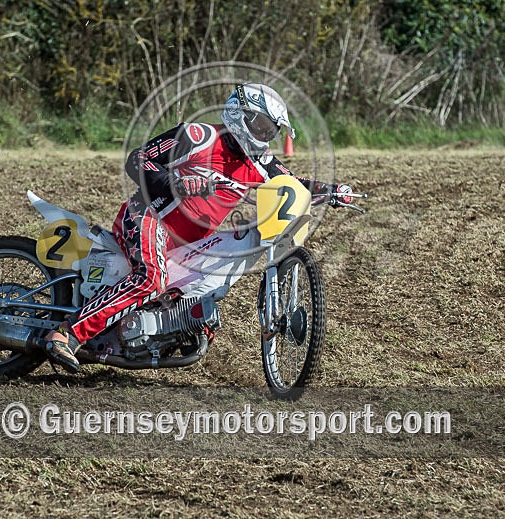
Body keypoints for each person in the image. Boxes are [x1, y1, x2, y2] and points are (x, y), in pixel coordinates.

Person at [43, 83, 354, 373]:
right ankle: (66, 333)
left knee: (212, 282)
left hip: (188, 243)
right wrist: (175, 182)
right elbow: (138, 159)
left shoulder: (262, 161)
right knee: (151, 279)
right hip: (147, 217)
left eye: (270, 131)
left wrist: (332, 189)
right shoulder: (196, 136)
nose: (264, 135)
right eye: (260, 126)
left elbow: (292, 182)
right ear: (239, 115)